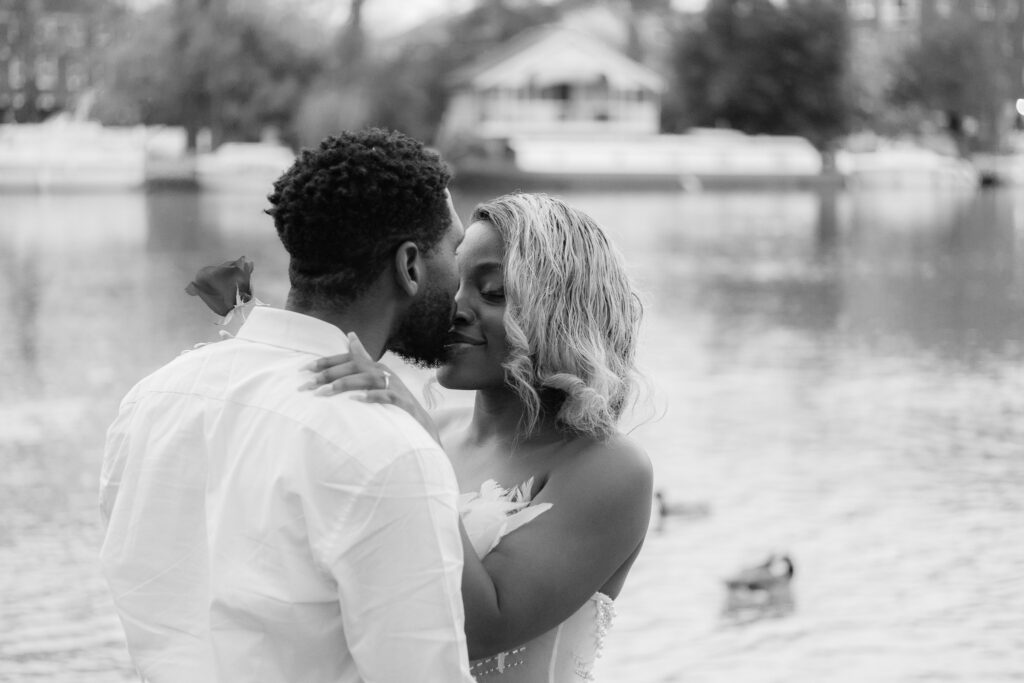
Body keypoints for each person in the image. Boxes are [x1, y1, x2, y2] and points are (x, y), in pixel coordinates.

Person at [100, 128, 475, 683]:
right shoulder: (387, 447)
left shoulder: (152, 400)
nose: (463, 282)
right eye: (457, 251)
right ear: (410, 265)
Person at [304, 192, 654, 681]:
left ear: (562, 313)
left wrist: (421, 453)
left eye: (492, 293)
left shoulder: (608, 468)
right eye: (453, 283)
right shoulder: (430, 428)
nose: (456, 308)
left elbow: (480, 628)